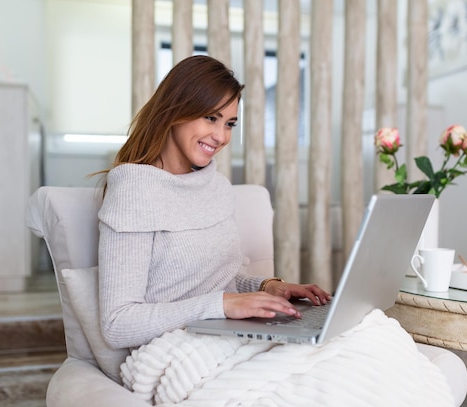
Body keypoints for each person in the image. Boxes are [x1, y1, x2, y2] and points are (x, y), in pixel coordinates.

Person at [97, 55, 331, 350]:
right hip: (177, 350)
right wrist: (222, 305)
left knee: (368, 335)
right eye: (210, 117)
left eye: (230, 123)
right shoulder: (134, 190)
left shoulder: (217, 186)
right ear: (175, 111)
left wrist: (268, 287)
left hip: (228, 336)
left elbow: (216, 280)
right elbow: (118, 324)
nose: (221, 136)